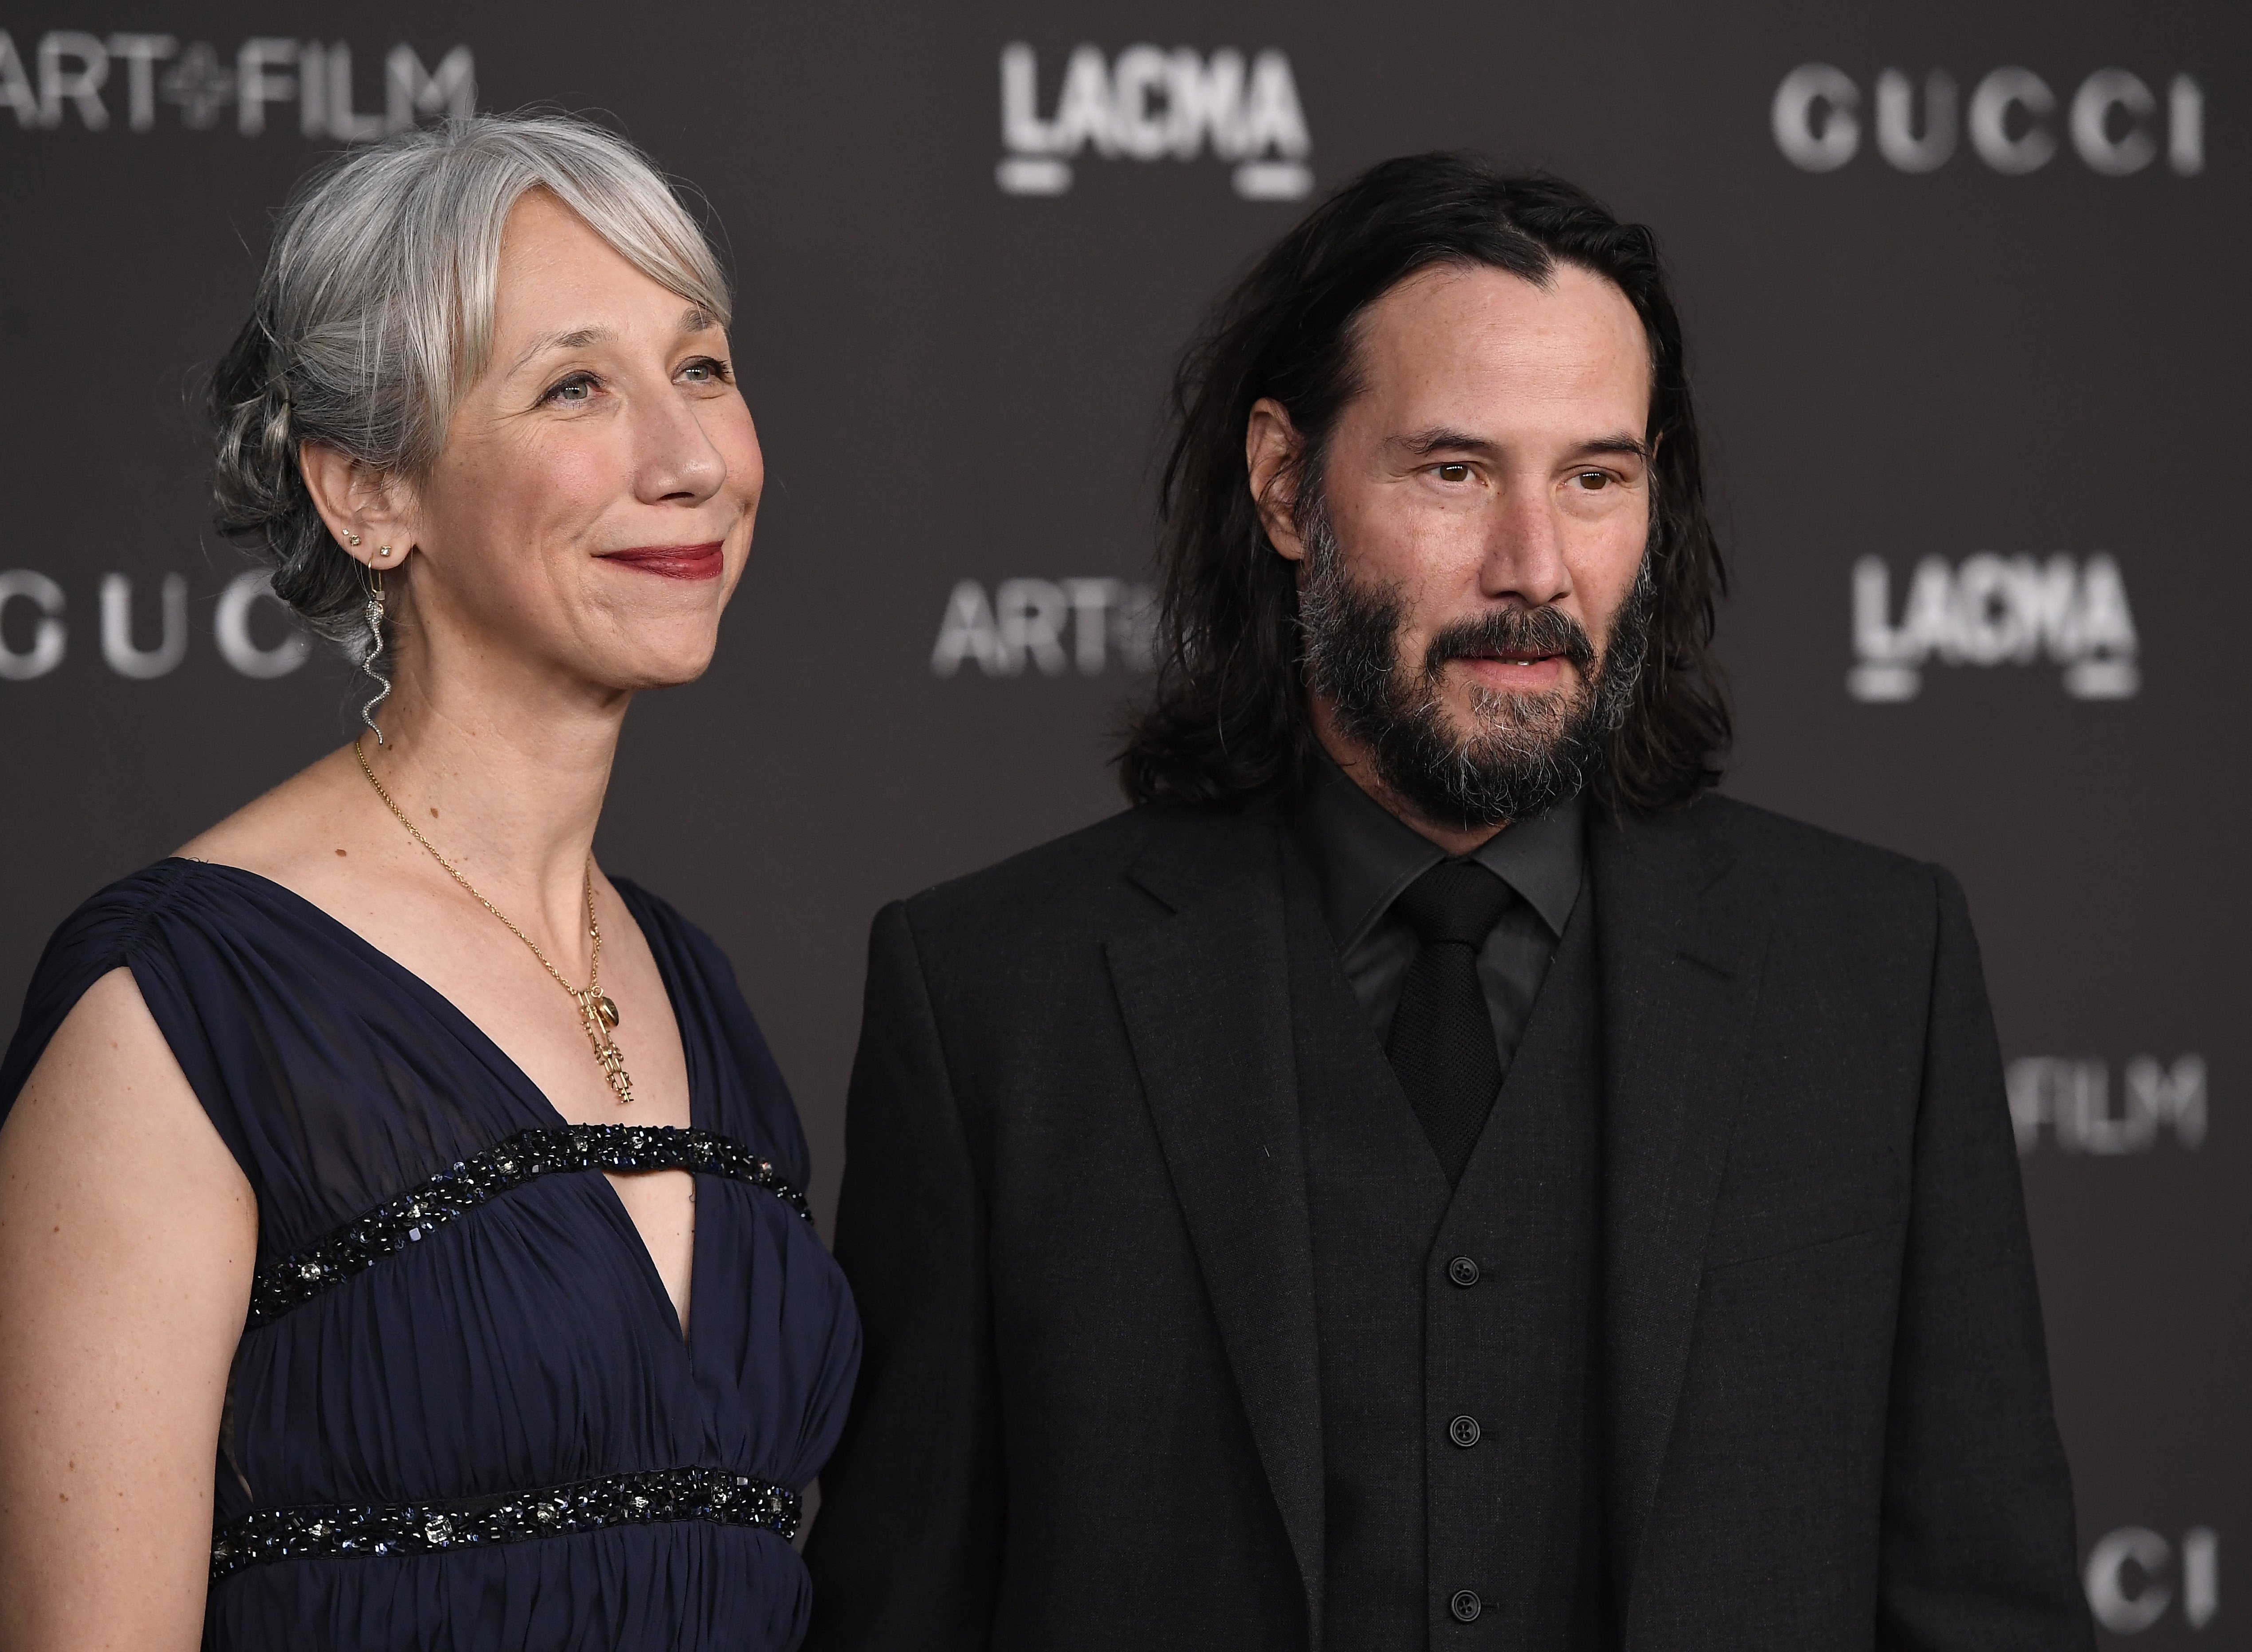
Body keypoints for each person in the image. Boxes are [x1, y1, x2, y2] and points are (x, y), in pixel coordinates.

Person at [804, 154, 2092, 1649]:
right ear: (1288, 484)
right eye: (1455, 471)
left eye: (1596, 479)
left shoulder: (1876, 972)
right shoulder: (992, 1003)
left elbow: (1988, 1608)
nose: (1534, 567)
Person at [0, 114, 858, 1651]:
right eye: (577, 384)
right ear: (369, 495)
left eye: (702, 366)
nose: (692, 459)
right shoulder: (179, 1007)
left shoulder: (693, 985)